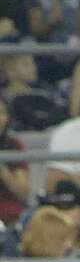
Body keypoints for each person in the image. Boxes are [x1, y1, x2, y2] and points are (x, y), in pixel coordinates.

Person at [0, 95, 31, 225]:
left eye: (2, 113)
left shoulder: (14, 145)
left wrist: (2, 169)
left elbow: (23, 193)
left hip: (10, 218)